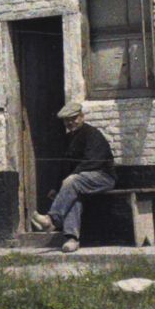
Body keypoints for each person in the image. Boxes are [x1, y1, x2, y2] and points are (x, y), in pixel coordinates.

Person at [34, 100, 115, 253]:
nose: (70, 122)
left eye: (74, 118)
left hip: (103, 178)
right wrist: (57, 187)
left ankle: (52, 220)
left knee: (72, 183)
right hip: (81, 182)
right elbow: (65, 166)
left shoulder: (92, 134)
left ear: (82, 117)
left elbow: (93, 162)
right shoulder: (68, 139)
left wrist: (70, 179)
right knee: (72, 192)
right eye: (67, 120)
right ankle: (72, 239)